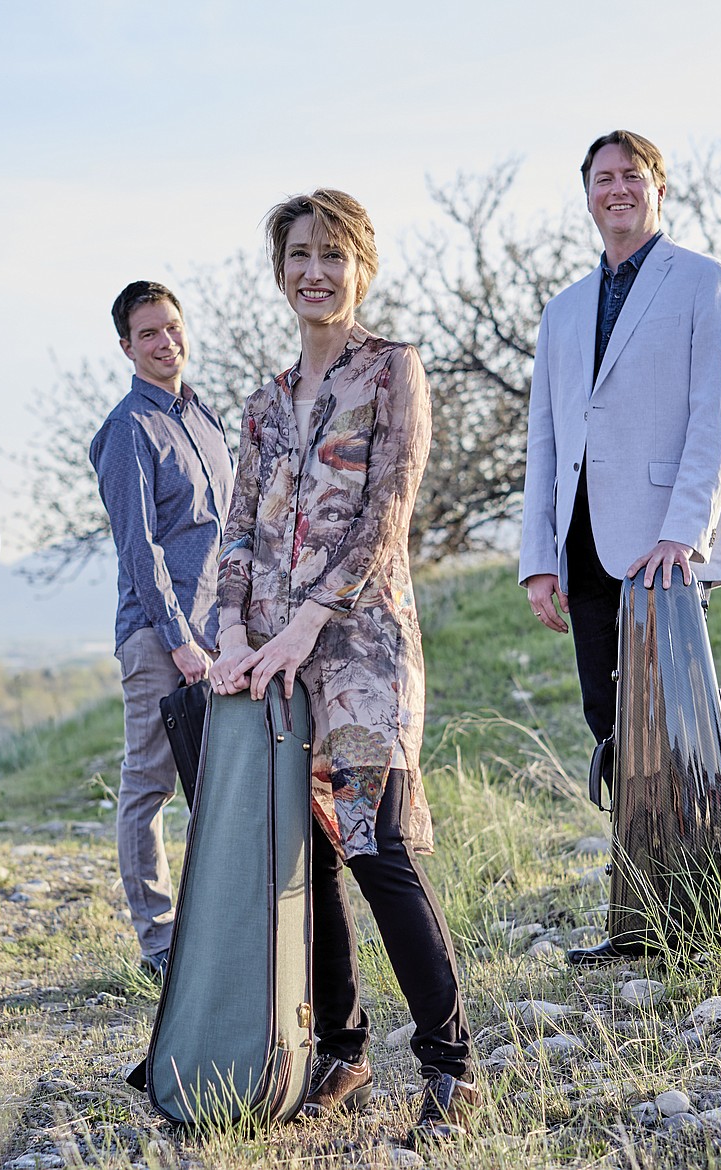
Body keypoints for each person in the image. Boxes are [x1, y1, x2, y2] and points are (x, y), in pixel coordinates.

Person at [209, 190, 477, 1143]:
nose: (312, 272)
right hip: (272, 662)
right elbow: (237, 528)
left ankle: (453, 1067)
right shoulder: (262, 403)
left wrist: (307, 625)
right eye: (297, 256)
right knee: (307, 860)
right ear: (279, 272)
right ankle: (343, 1053)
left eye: (330, 254)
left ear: (360, 265)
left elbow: (385, 515)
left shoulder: (392, 371)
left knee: (378, 852)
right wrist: (236, 634)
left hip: (359, 651)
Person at [518, 131, 721, 966]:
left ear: (658, 186)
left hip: (662, 548)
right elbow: (545, 437)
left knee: (676, 731)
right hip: (582, 546)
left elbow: (715, 416)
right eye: (603, 178)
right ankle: (641, 918)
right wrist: (538, 555)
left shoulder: (702, 281)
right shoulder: (564, 308)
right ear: (587, 195)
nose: (617, 189)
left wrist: (682, 533)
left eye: (632, 176)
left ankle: (709, 910)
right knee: (611, 728)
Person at [89, 282, 234, 981]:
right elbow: (138, 549)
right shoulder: (127, 431)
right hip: (158, 636)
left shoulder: (203, 417)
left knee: (221, 781)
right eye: (148, 333)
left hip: (219, 634)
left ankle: (218, 924)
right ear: (127, 346)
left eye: (172, 327)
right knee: (149, 787)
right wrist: (178, 638)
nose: (164, 341)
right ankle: (158, 941)